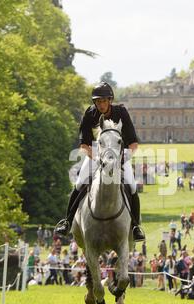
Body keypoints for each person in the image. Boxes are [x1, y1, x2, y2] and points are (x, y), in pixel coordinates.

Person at [54, 82, 145, 241]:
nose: (101, 105)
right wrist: (97, 158)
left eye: (103, 101)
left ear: (110, 100)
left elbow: (133, 144)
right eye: (98, 101)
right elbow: (84, 145)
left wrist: (120, 159)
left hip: (119, 153)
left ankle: (136, 226)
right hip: (96, 153)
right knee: (79, 183)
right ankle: (67, 221)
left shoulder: (121, 112)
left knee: (131, 185)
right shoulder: (90, 113)